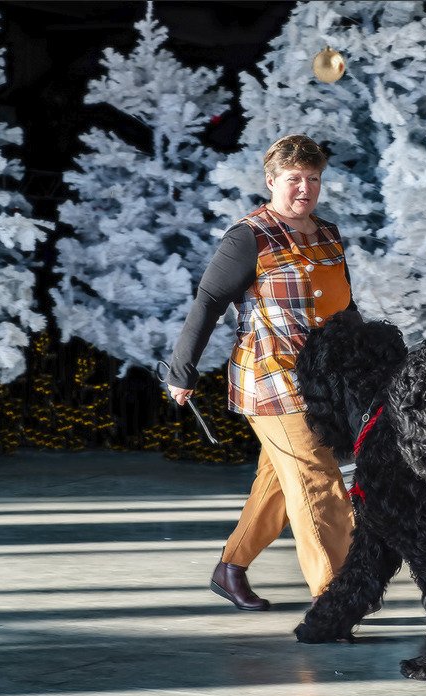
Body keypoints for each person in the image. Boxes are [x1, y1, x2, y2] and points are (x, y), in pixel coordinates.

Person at [165, 134, 357, 611]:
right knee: (317, 480)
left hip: (322, 381)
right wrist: (181, 369)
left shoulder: (328, 234)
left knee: (278, 482)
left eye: (313, 179)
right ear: (272, 181)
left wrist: (371, 364)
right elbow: (208, 302)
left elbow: (345, 310)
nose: (304, 189)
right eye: (294, 179)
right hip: (272, 379)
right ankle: (334, 599)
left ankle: (231, 567)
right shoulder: (249, 236)